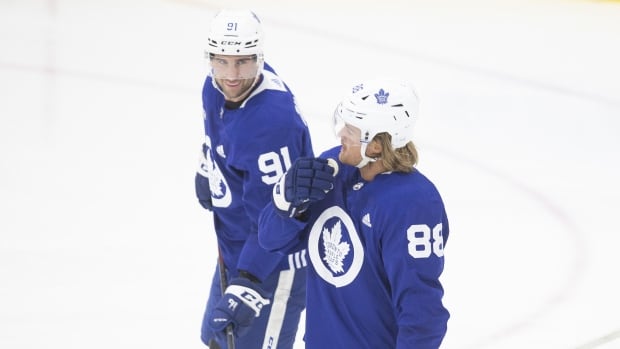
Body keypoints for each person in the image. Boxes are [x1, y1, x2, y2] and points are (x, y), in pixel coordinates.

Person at [258, 79, 450, 348]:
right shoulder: (331, 170)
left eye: (350, 128)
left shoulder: (413, 202)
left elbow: (423, 312)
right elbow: (271, 241)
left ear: (376, 145)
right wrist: (288, 202)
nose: (341, 135)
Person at [194, 9, 313, 349]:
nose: (231, 76)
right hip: (237, 247)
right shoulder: (213, 86)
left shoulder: (272, 124)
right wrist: (208, 166)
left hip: (274, 263)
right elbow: (215, 134)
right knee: (218, 341)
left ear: (259, 58)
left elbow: (283, 215)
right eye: (222, 61)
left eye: (243, 62)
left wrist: (249, 281)